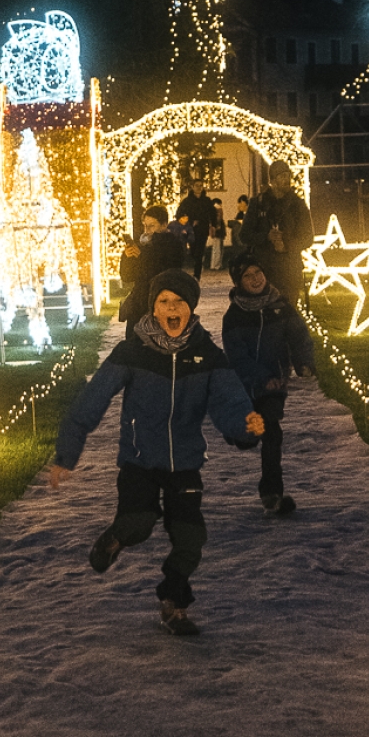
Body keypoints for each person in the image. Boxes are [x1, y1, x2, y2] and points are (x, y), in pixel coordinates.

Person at [51, 269, 264, 636]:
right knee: (138, 523)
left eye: (179, 301)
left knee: (190, 539)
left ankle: (174, 603)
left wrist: (246, 429)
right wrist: (66, 456)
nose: (172, 308)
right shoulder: (132, 352)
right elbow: (92, 401)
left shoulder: (207, 355)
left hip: (185, 462)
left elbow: (230, 403)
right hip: (139, 459)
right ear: (153, 308)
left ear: (191, 309)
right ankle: (115, 538)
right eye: (164, 301)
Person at [220, 255, 315, 516]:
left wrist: (303, 362)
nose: (255, 279)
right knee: (250, 437)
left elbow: (299, 336)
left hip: (274, 384)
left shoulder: (281, 306)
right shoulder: (234, 316)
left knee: (272, 432)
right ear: (239, 282)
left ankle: (272, 492)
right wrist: (260, 377)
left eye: (258, 272)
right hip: (246, 386)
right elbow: (237, 356)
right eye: (248, 275)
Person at [240, 161, 313, 301]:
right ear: (272, 181)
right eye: (282, 176)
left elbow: (308, 237)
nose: (287, 180)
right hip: (264, 270)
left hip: (290, 270)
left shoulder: (298, 205)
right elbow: (244, 235)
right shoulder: (258, 203)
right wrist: (266, 237)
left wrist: (286, 244)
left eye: (288, 176)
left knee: (288, 314)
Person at [117, 206, 185, 323]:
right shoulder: (141, 244)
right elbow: (127, 276)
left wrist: (141, 258)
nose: (147, 230)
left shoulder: (173, 245)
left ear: (164, 225)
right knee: (134, 339)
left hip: (161, 304)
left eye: (152, 226)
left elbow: (165, 273)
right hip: (139, 305)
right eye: (145, 225)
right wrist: (127, 258)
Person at [175, 180, 216, 278]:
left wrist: (213, 225)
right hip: (191, 230)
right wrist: (189, 221)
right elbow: (179, 214)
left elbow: (212, 213)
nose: (199, 188)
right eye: (197, 186)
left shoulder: (206, 201)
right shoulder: (187, 201)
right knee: (193, 250)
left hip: (203, 229)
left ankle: (197, 274)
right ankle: (196, 262)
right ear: (192, 187)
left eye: (201, 186)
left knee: (200, 250)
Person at [208, 198, 226, 270]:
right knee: (218, 249)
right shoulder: (218, 208)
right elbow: (219, 220)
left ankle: (213, 265)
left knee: (214, 248)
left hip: (214, 231)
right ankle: (217, 265)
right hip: (219, 231)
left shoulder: (212, 210)